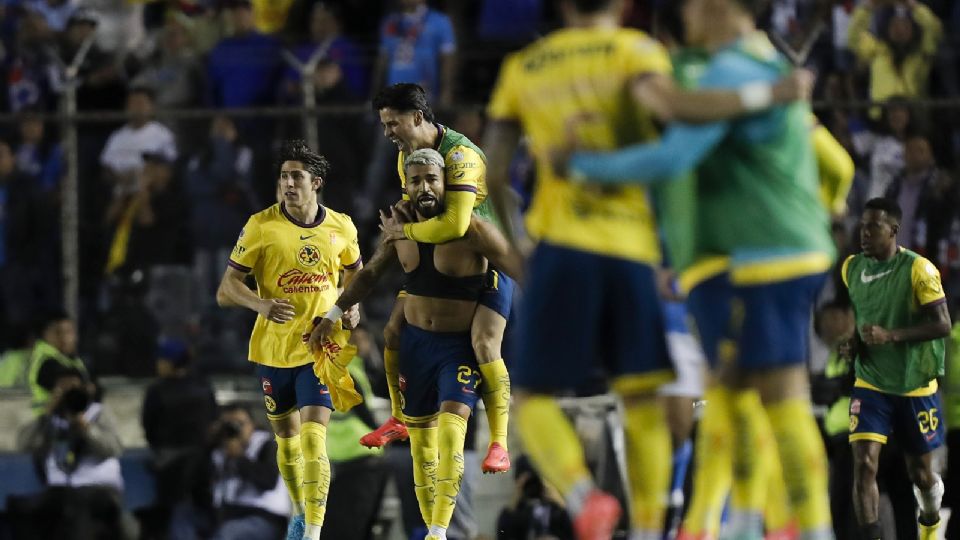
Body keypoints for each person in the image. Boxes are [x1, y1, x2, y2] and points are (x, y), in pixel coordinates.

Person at [481, 0, 816, 537]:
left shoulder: (525, 65)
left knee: (532, 400)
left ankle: (583, 496)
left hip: (560, 246)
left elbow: (495, 171)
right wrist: (767, 93)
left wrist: (519, 245)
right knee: (643, 401)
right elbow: (676, 108)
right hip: (634, 250)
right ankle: (648, 527)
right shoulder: (636, 52)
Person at [309, 148, 520, 540]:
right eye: (416, 180)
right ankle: (429, 521)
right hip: (418, 347)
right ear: (406, 186)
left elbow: (518, 267)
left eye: (432, 179)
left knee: (452, 434)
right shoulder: (399, 229)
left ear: (446, 184)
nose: (424, 187)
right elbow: (370, 274)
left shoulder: (470, 228)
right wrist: (333, 315)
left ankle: (441, 530)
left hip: (458, 349)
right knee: (421, 450)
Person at [363, 83, 514, 475]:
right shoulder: (407, 158)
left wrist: (403, 235)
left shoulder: (462, 154)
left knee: (484, 344)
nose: (388, 133)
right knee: (393, 329)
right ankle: (398, 417)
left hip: (484, 261)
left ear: (417, 117)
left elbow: (456, 223)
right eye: (383, 125)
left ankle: (499, 442)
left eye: (392, 123)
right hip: (436, 256)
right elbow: (419, 211)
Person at [215, 139, 363, 540]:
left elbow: (355, 276)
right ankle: (299, 512)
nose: (288, 183)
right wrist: (260, 305)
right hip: (273, 350)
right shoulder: (260, 226)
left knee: (315, 438)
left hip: (319, 348)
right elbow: (226, 288)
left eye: (296, 176)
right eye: (283, 177)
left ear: (316, 182)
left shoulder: (342, 226)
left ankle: (313, 531)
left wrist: (352, 308)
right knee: (287, 442)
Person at [842, 198, 950, 540]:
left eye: (874, 226)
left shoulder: (920, 270)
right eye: (862, 226)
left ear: (893, 230)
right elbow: (864, 317)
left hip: (913, 384)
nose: (865, 233)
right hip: (871, 382)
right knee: (865, 464)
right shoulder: (852, 269)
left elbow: (943, 324)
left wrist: (891, 335)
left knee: (920, 475)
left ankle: (930, 520)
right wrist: (853, 343)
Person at [15, 366, 133, 539]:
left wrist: (87, 429)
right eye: (63, 389)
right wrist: (45, 414)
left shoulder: (98, 413)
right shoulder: (52, 419)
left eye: (74, 388)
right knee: (25, 508)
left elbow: (114, 448)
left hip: (99, 487)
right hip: (61, 488)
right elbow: (24, 444)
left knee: (78, 505)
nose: (68, 393)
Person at [27, 310, 89, 415]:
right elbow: (66, 380)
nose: (64, 338)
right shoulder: (46, 360)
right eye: (58, 332)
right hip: (45, 425)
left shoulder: (69, 359)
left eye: (69, 332)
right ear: (45, 334)